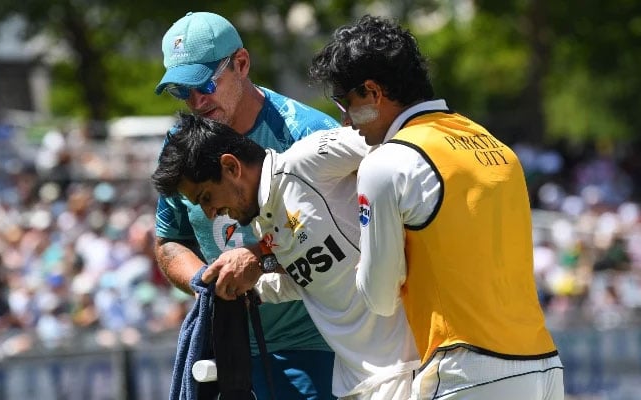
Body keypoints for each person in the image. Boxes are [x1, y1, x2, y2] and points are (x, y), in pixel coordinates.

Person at [308, 15, 564, 400]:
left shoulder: (386, 162)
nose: (344, 119)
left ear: (373, 92)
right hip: (543, 365)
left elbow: (378, 298)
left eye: (346, 102)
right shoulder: (497, 147)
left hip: (467, 370)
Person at [152, 113, 419, 399]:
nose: (210, 213)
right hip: (358, 381)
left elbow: (403, 148)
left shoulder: (308, 158)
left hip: (414, 367)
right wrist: (251, 291)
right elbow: (312, 280)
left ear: (231, 167)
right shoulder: (261, 223)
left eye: (206, 197)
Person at [154, 11, 339, 399]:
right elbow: (170, 242)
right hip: (227, 345)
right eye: (181, 91)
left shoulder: (310, 135)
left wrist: (258, 257)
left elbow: (349, 233)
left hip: (317, 344)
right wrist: (203, 281)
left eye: (203, 83)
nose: (196, 101)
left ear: (241, 63)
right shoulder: (180, 145)